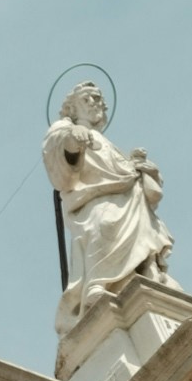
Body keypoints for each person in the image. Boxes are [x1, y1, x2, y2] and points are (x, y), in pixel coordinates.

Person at [42, 80, 174, 329]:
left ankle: (146, 273)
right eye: (87, 99)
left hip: (130, 201)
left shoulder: (108, 144)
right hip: (95, 202)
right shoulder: (63, 128)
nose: (95, 103)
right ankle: (97, 284)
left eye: (98, 99)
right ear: (72, 107)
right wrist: (72, 140)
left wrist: (143, 169)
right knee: (106, 222)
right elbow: (61, 165)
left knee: (142, 237)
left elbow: (126, 174)